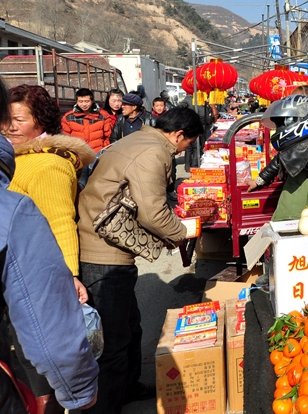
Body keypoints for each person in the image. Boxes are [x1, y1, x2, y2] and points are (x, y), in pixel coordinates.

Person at [76, 107, 202, 413]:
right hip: (103, 254)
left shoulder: (139, 140)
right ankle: (106, 405)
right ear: (179, 134)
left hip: (107, 247)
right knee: (113, 342)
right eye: (189, 143)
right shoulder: (153, 152)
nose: (185, 150)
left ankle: (128, 388)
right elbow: (152, 211)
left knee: (130, 327)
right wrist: (181, 232)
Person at [0, 80, 99, 413]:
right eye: (6, 119)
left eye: (19, 120)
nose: (10, 127)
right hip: (17, 270)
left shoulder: (47, 164)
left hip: (33, 274)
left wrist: (69, 275)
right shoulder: (18, 158)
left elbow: (60, 222)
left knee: (37, 366)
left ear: (40, 121)